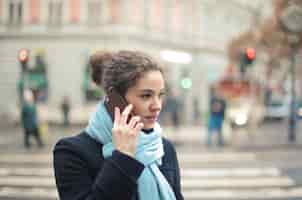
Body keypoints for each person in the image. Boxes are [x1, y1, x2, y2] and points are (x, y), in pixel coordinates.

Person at [53, 50, 184, 200]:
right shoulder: (72, 152)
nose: (157, 106)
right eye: (146, 96)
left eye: (160, 95)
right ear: (115, 99)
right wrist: (123, 156)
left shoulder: (163, 148)